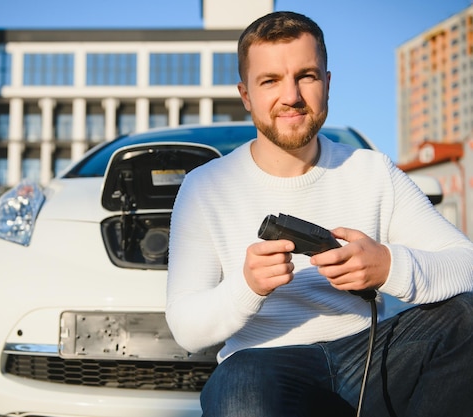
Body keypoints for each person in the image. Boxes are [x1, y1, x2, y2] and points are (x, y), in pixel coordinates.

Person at [166, 10, 473, 417]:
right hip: (263, 367)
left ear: (327, 83)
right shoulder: (204, 187)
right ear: (246, 95)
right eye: (270, 80)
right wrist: (247, 287)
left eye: (306, 76)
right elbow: (186, 329)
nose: (291, 95)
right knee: (238, 387)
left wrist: (388, 267)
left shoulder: (373, 170)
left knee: (465, 316)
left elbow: (465, 264)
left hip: (371, 356)